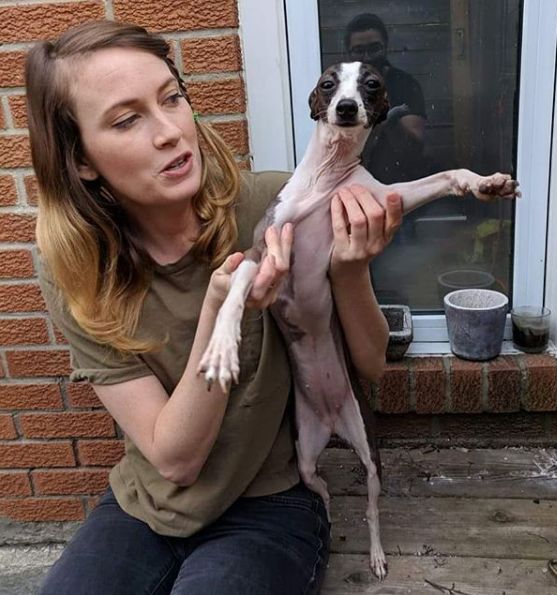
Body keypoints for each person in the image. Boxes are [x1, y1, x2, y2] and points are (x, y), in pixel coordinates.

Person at [27, 20, 403, 595]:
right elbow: (175, 461)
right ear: (81, 160)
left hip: (271, 503)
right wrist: (221, 311)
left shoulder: (279, 205)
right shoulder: (75, 270)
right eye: (127, 120)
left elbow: (371, 363)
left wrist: (349, 270)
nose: (170, 133)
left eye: (171, 98)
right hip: (145, 505)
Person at [345, 13, 431, 184]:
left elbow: (412, 148)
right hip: (354, 182)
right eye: (359, 51)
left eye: (374, 48)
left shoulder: (404, 84)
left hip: (401, 181)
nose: (367, 57)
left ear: (386, 47)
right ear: (348, 53)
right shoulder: (342, 90)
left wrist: (387, 117)